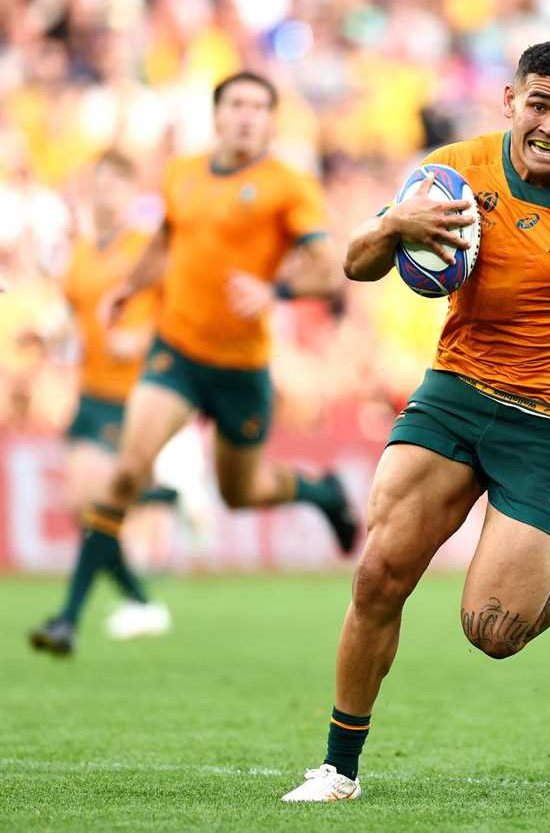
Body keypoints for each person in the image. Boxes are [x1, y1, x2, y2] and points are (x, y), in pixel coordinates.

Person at [280, 41, 550, 803]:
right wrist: (391, 228)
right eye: (539, 104)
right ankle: (338, 769)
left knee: (493, 631)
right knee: (379, 574)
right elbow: (353, 265)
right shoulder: (454, 170)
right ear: (510, 101)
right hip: (453, 397)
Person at [61, 71, 357, 647]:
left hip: (241, 368)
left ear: (270, 121)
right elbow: (165, 245)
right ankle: (68, 617)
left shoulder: (287, 186)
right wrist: (129, 288)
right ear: (217, 115)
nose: (246, 115)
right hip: (176, 353)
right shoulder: (181, 174)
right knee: (126, 470)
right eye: (236, 105)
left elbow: (326, 267)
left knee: (239, 492)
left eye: (258, 107)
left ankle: (323, 494)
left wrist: (276, 292)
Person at [28, 151, 175, 655]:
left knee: (96, 507)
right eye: (100, 185)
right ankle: (140, 599)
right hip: (90, 393)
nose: (106, 194)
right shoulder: (82, 255)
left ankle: (68, 618)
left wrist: (143, 339)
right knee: (82, 510)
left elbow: (178, 313)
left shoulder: (146, 250)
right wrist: (44, 337)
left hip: (134, 398)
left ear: (132, 193)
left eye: (116, 185)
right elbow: (69, 315)